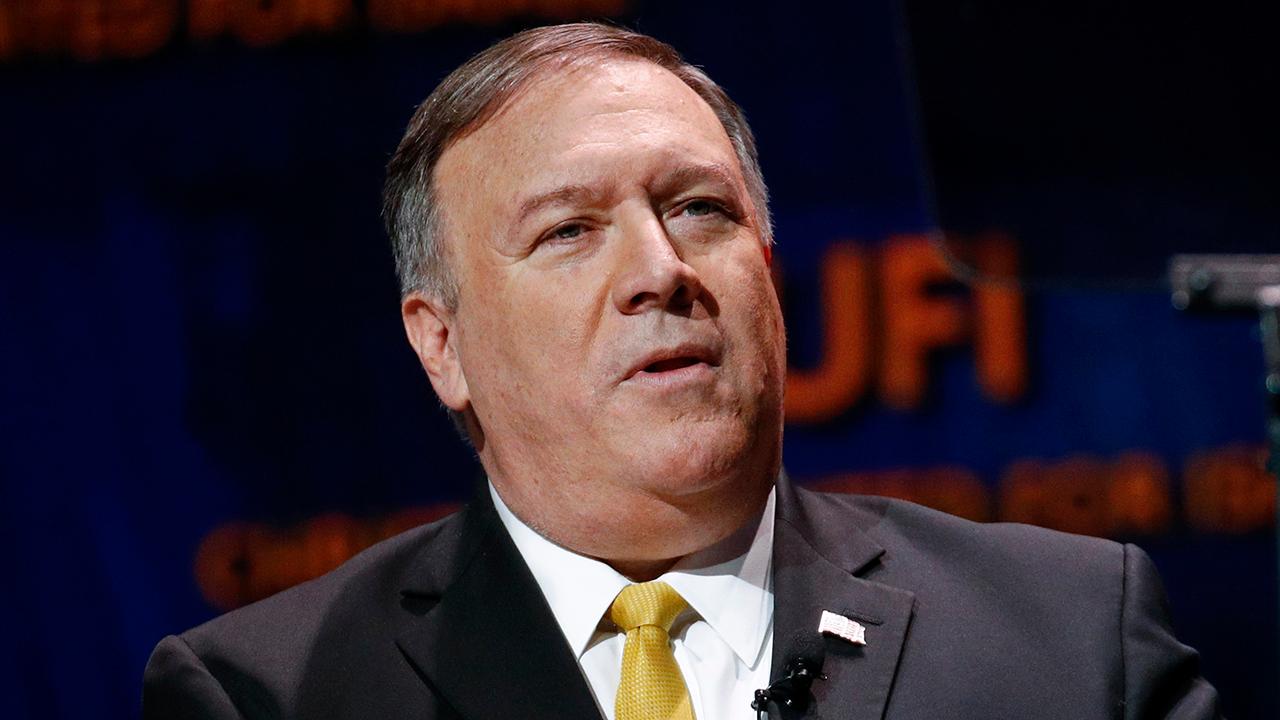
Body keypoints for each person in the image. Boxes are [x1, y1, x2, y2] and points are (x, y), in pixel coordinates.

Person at [143, 22, 1221, 720]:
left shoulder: (1071, 638)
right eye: (569, 231)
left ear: (768, 272)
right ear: (442, 345)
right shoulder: (269, 695)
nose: (660, 270)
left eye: (699, 208)